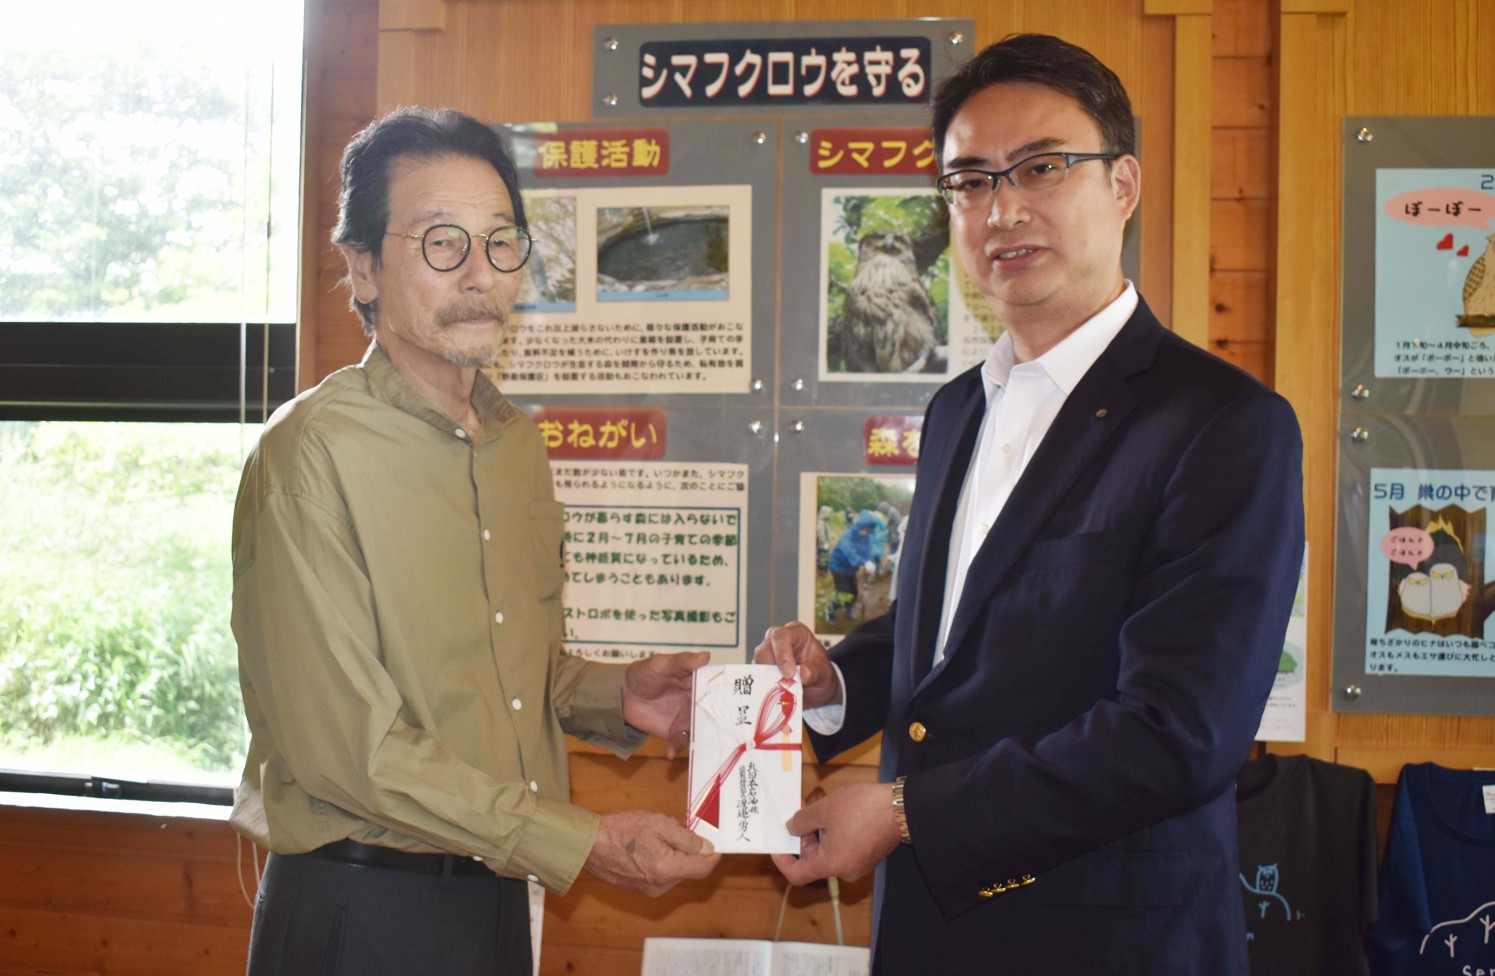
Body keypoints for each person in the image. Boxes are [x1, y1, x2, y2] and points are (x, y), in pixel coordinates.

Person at [756, 34, 1304, 974]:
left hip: (1109, 940)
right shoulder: (956, 408)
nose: (1001, 209)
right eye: (969, 181)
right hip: (926, 931)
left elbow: (1180, 733)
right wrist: (833, 684)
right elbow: (960, 626)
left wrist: (904, 812)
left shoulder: (1223, 423)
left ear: (1122, 184)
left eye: (1041, 168)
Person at [230, 107, 719, 976]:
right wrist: (575, 839)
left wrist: (620, 695)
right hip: (362, 908)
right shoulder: (309, 453)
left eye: (500, 242)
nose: (480, 273)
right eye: (441, 242)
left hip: (498, 895)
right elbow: (349, 750)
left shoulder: (514, 445)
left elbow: (510, 676)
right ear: (362, 266)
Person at [825, 509, 885, 624]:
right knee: (844, 593)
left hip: (851, 569)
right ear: (860, 526)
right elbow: (849, 552)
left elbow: (868, 551)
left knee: (854, 592)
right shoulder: (848, 535)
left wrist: (870, 561)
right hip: (839, 566)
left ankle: (848, 610)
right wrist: (863, 562)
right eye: (865, 530)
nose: (866, 533)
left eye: (868, 531)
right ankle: (830, 610)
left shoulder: (865, 538)